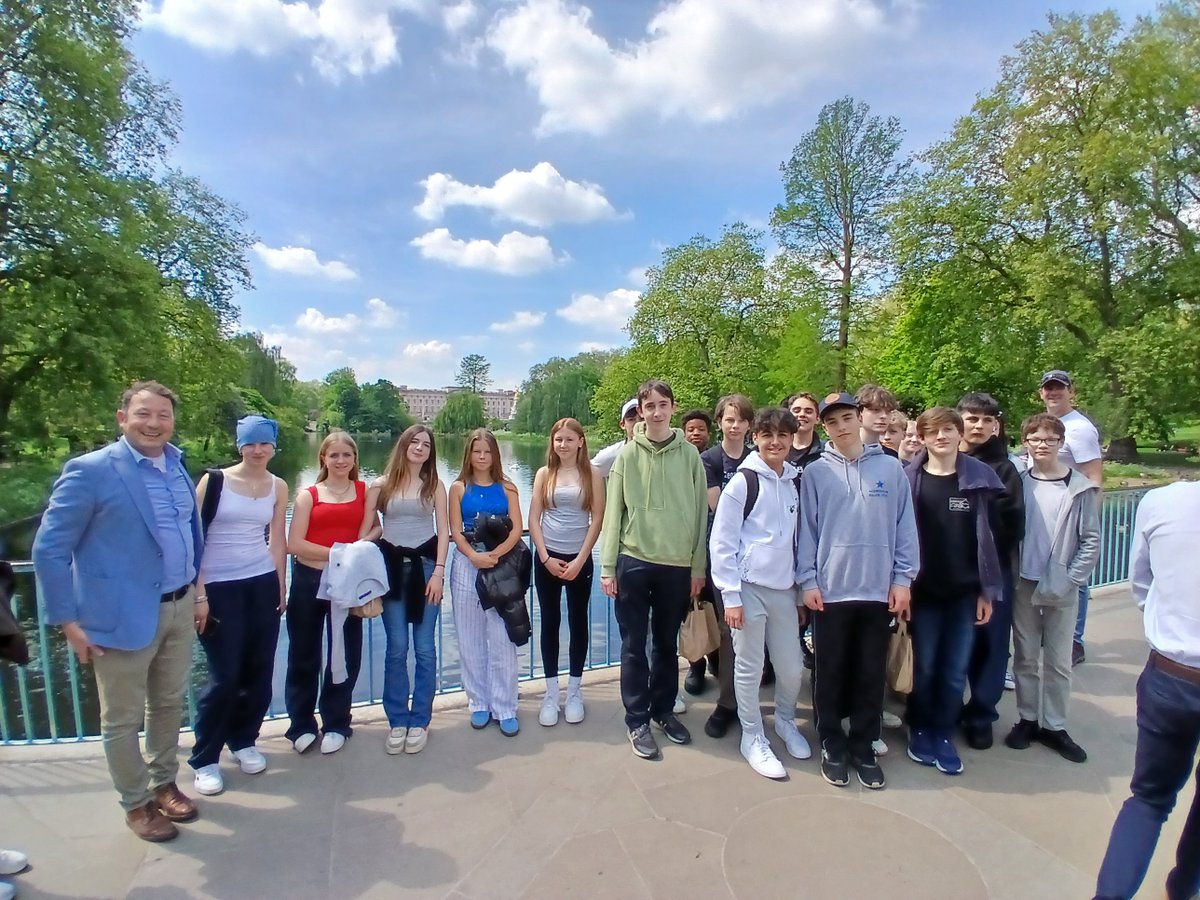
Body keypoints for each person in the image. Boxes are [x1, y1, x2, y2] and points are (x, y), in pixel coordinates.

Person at [33, 381, 204, 842]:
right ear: (122, 417)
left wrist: (197, 593)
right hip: (119, 614)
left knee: (168, 703)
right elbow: (49, 550)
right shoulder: (89, 471)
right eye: (144, 414)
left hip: (179, 604)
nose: (154, 424)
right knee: (122, 718)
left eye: (163, 415)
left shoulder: (177, 464)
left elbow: (189, 534)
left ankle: (164, 782)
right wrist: (68, 621)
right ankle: (136, 802)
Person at [798, 391, 918, 790]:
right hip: (831, 590)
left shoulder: (891, 468)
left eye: (847, 418)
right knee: (829, 672)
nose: (841, 427)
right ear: (825, 427)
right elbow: (807, 531)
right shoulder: (816, 472)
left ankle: (864, 745)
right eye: (832, 422)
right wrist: (808, 580)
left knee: (870, 672)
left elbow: (905, 527)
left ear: (859, 418)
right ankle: (832, 742)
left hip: (877, 589)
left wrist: (903, 579)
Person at [1094, 479, 1200, 900]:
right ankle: (1183, 887)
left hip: (1172, 673)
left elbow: (1141, 584)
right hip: (1173, 675)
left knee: (1148, 799)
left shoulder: (1163, 501)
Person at [601, 380, 708, 760]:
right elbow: (614, 513)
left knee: (665, 645)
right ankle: (637, 719)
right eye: (650, 406)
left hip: (676, 565)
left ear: (673, 408)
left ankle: (663, 710)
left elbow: (700, 513)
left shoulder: (690, 455)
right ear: (641, 412)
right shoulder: (627, 456)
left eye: (663, 405)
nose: (657, 412)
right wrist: (607, 566)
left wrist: (698, 566)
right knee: (634, 647)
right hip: (634, 560)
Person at [188, 416, 289, 797]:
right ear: (239, 445)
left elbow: (277, 540)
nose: (258, 450)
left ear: (273, 446)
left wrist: (280, 585)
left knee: (259, 671)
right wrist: (199, 594)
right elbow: (193, 539)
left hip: (261, 582)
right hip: (218, 586)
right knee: (224, 676)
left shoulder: (278, 485)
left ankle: (244, 739)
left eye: (264, 443)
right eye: (250, 443)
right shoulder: (214, 482)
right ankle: (205, 757)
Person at [710, 406, 811, 779]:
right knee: (749, 666)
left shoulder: (795, 482)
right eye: (768, 435)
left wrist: (800, 593)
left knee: (791, 667)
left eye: (783, 435)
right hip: (748, 587)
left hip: (783, 589)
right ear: (756, 438)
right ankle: (752, 735)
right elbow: (722, 542)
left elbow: (800, 541)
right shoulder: (743, 482)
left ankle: (784, 719)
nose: (775, 442)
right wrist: (731, 596)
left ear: (791, 439)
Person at [903, 407, 1003, 775]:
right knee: (925, 666)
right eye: (933, 431)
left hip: (963, 594)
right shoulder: (909, 479)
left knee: (954, 670)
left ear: (960, 434)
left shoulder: (979, 478)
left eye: (948, 430)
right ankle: (920, 728)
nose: (941, 437)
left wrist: (986, 592)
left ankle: (943, 732)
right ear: (922, 438)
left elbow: (991, 541)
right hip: (923, 593)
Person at [1005, 413, 1100, 763]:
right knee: (1026, 656)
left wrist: (1071, 579)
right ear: (1025, 442)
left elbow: (1091, 540)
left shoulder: (1080, 487)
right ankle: (1028, 718)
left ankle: (1055, 726)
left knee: (1059, 660)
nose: (1042, 445)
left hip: (1061, 585)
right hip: (1024, 582)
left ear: (1061, 443)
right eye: (1035, 439)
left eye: (1049, 439)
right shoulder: (1018, 482)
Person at [359, 425, 449, 755]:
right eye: (414, 442)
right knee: (397, 647)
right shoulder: (381, 485)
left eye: (426, 444)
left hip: (426, 569)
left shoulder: (435, 485)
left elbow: (444, 531)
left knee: (424, 649)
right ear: (404, 445)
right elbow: (367, 529)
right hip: (391, 570)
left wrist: (439, 572)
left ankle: (420, 720)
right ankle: (397, 719)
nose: (420, 448)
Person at [284, 431, 366, 756]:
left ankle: (337, 721)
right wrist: (338, 552)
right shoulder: (309, 496)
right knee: (303, 653)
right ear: (323, 458)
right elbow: (294, 543)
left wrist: (360, 545)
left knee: (344, 655)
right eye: (334, 455)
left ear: (354, 459)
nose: (341, 461)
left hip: (347, 583)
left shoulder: (363, 492)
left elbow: (375, 527)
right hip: (309, 580)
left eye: (347, 455)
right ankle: (301, 724)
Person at [956, 393, 1025, 750]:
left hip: (990, 572)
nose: (979, 426)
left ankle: (981, 714)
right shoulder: (945, 460)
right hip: (948, 571)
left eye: (987, 420)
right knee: (952, 645)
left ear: (996, 425)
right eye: (972, 418)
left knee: (991, 646)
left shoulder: (1004, 469)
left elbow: (1013, 524)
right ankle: (947, 707)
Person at [529, 418, 605, 726]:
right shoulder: (544, 474)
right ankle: (551, 693)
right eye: (558, 439)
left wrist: (580, 560)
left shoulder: (592, 474)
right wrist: (545, 557)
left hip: (579, 559)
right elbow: (534, 519)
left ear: (580, 442)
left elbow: (597, 519)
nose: (563, 445)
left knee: (578, 622)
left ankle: (574, 691)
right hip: (547, 558)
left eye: (569, 439)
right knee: (550, 622)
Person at [449, 428, 524, 735]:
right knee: (470, 638)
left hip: (501, 566)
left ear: (495, 454)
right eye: (476, 451)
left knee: (503, 637)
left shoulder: (508, 487)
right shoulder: (458, 488)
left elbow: (517, 528)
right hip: (467, 565)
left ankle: (505, 705)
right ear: (468, 454)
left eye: (487, 451)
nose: (482, 457)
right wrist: (473, 556)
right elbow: (455, 530)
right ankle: (478, 702)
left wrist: (496, 554)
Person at [691, 394, 754, 732]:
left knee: (755, 632)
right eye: (729, 419)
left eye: (741, 420)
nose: (735, 425)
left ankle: (750, 698)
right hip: (724, 557)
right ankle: (728, 702)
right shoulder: (710, 459)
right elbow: (720, 508)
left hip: (757, 559)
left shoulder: (757, 457)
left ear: (749, 424)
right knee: (729, 630)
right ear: (719, 423)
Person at [1039, 369, 1102, 666]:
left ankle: (1074, 641)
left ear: (1071, 392)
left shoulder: (1080, 429)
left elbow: (1093, 475)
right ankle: (1056, 633)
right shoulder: (1048, 424)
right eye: (1048, 388)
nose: (1053, 393)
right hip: (1049, 513)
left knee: (1077, 578)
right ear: (1041, 393)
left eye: (1059, 388)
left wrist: (1089, 521)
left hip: (1073, 513)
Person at [591, 398, 640, 478]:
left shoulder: (659, 452)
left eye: (642, 419)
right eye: (631, 420)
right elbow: (585, 472)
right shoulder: (611, 455)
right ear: (622, 424)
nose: (637, 424)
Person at [855, 384, 900, 458]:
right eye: (876, 410)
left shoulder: (891, 456)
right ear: (859, 412)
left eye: (888, 411)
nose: (884, 416)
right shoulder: (841, 452)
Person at [785, 391, 824, 478]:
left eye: (808, 411)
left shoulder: (826, 453)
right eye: (796, 411)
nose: (802, 414)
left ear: (817, 418)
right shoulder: (777, 449)